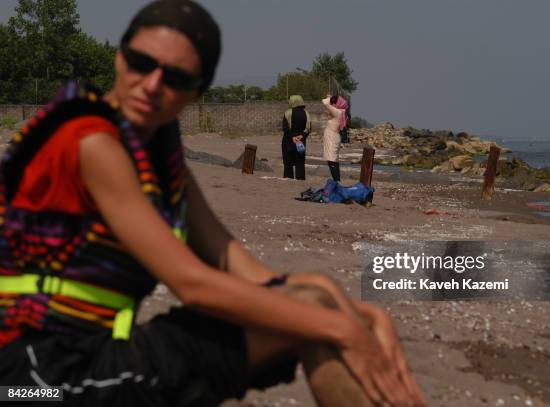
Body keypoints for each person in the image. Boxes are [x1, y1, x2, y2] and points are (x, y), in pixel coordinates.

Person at [0, 1, 427, 406]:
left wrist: (363, 313)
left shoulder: (162, 165)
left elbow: (242, 269)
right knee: (315, 318)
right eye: (141, 63)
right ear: (119, 57)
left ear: (195, 92)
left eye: (176, 78)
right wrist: (345, 329)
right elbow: (193, 284)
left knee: (316, 296)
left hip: (87, 356)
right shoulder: (93, 143)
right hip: (32, 379)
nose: (152, 85)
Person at [281, 94, 311, 180]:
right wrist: (301, 136)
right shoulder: (306, 113)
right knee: (300, 162)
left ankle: (288, 178)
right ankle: (300, 179)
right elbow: (308, 128)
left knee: (288, 162)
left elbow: (285, 128)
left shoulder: (288, 112)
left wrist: (292, 137)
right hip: (301, 141)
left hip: (288, 141)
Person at [322, 94, 348, 182]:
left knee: (331, 160)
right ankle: (336, 179)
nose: (332, 105)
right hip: (334, 136)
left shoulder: (338, 112)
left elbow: (325, 102)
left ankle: (336, 180)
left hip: (332, 137)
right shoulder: (341, 111)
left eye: (333, 103)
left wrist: (329, 98)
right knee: (333, 159)